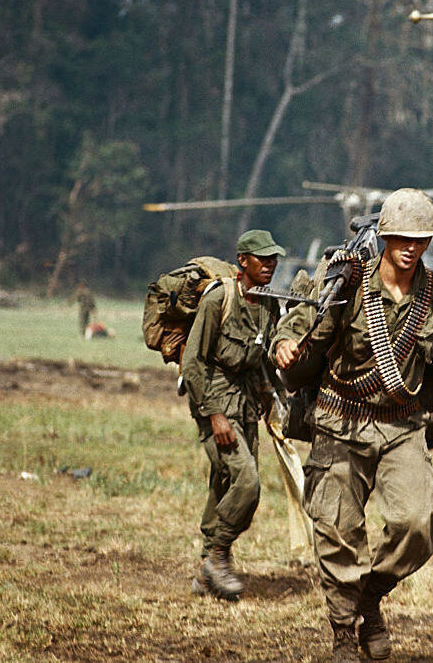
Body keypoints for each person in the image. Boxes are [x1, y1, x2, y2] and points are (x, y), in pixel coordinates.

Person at [271, 188, 433, 662]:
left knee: (416, 525)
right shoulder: (346, 280)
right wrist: (286, 345)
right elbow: (299, 324)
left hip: (401, 426)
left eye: (421, 239)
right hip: (339, 422)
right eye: (403, 237)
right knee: (338, 529)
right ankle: (345, 630)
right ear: (385, 236)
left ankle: (369, 596)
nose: (411, 247)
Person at [180, 229, 286, 600]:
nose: (270, 265)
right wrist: (213, 415)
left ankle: (206, 573)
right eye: (263, 259)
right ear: (244, 261)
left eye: (274, 259)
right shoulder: (219, 300)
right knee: (247, 483)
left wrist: (268, 396)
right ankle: (218, 556)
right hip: (214, 402)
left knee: (224, 485)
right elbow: (193, 361)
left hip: (246, 406)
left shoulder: (269, 306)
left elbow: (260, 360)